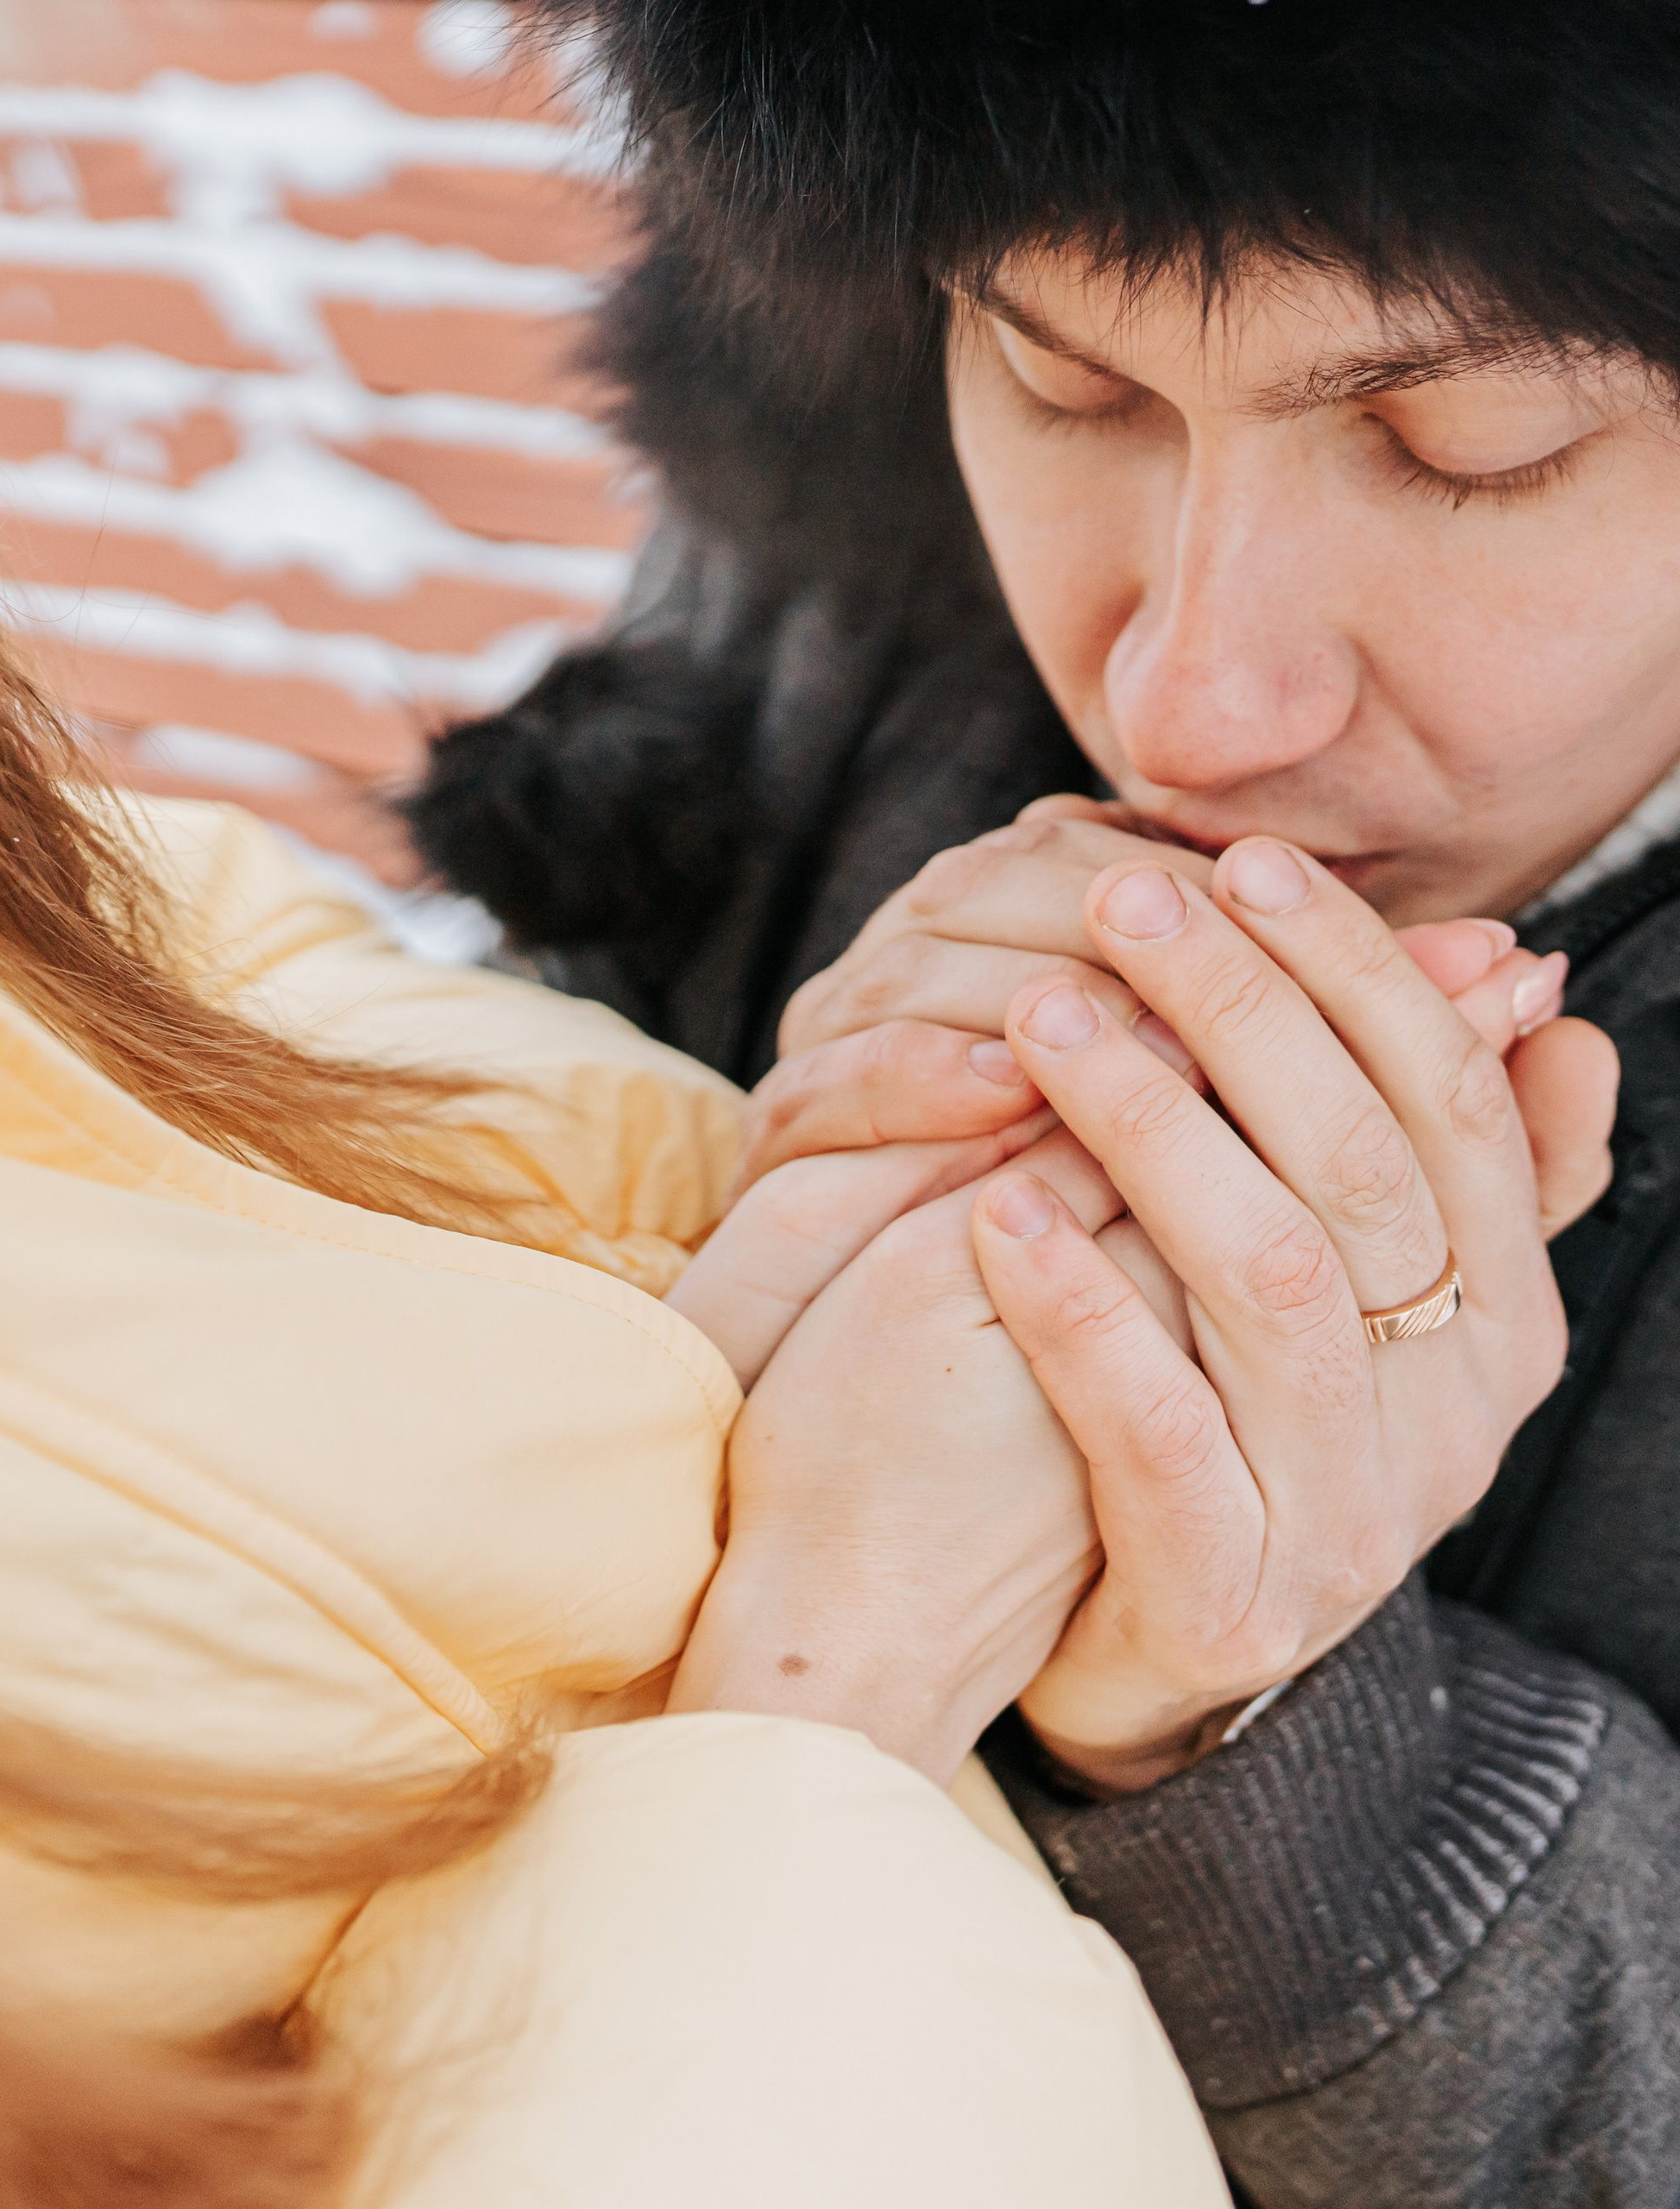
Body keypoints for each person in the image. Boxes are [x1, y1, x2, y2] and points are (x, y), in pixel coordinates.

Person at [0, 7, 1247, 2201]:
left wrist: (789, 1202)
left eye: (1476, 447)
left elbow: (266, 1071)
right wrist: (825, 1689)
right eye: (1059, 383)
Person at [410, 3, 1680, 2201]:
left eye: (1467, 440)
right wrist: (660, 1259)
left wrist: (1265, 1747)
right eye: (1060, 379)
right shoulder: (817, 589)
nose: (1190, 699)